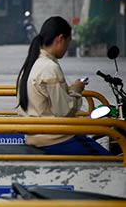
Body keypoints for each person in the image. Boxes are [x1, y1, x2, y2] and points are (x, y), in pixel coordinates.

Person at [16, 16, 111, 155]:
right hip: (55, 138)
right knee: (110, 161)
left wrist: (70, 90)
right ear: (60, 39)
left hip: (35, 136)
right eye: (68, 42)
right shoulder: (50, 68)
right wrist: (77, 90)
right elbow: (64, 111)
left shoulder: (32, 64)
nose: (67, 48)